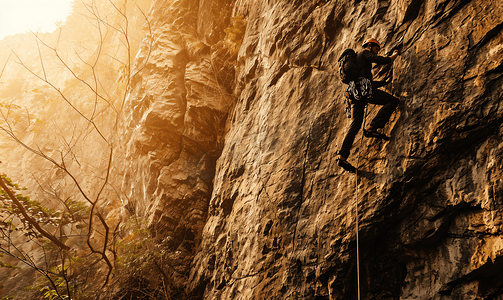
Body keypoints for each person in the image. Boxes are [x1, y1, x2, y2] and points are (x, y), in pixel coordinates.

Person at [337, 38, 400, 173]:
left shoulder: (359, 64)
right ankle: (372, 127)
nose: (377, 52)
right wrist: (393, 56)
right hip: (363, 91)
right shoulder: (364, 53)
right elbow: (381, 60)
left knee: (355, 126)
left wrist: (384, 82)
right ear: (370, 46)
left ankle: (342, 156)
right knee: (393, 101)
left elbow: (368, 82)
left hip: (355, 94)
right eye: (376, 48)